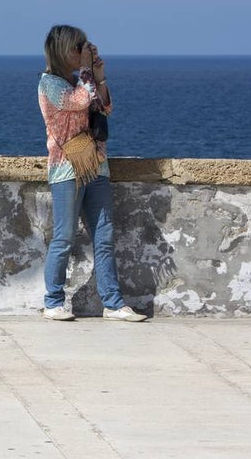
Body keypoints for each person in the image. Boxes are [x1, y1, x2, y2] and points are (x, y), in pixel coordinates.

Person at [38, 25, 146, 322]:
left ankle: (113, 303)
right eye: (78, 48)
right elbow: (79, 102)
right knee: (64, 237)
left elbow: (104, 107)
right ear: (63, 51)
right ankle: (53, 301)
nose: (82, 52)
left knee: (104, 236)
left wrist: (98, 75)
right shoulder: (50, 84)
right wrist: (86, 70)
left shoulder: (80, 82)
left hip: (97, 165)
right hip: (67, 169)